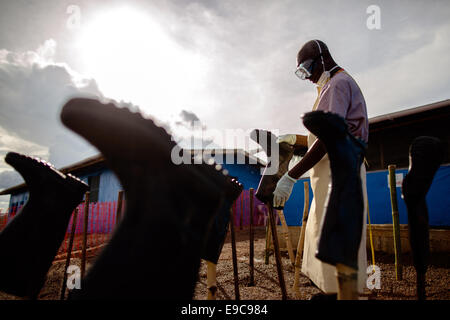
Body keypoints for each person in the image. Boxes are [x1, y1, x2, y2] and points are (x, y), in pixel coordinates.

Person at [273, 39, 369, 299]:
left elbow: (328, 139)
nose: (306, 77)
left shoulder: (337, 85)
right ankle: (334, 292)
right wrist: (297, 142)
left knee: (337, 237)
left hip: (340, 172)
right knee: (324, 234)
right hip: (330, 174)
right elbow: (321, 137)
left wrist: (291, 176)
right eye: (301, 72)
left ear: (323, 58)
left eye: (307, 68)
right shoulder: (330, 86)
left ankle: (342, 294)